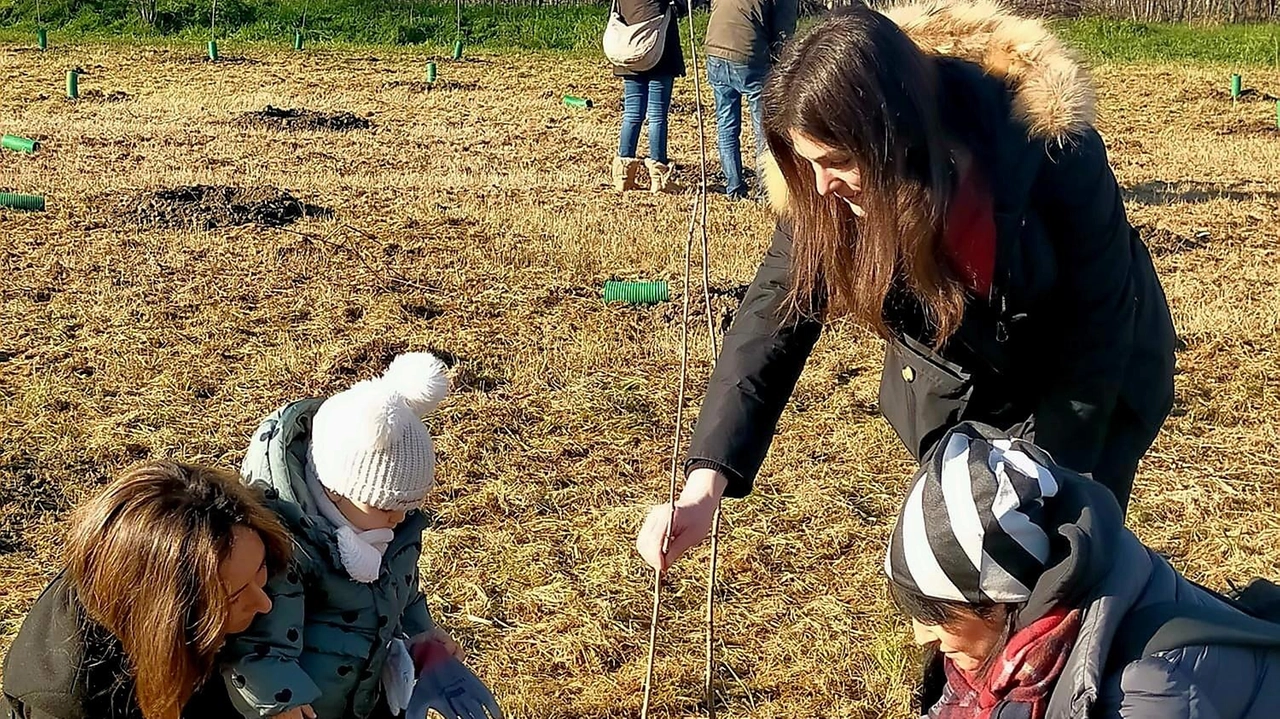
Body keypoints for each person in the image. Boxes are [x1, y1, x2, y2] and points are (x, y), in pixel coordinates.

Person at [637, 1, 1177, 571]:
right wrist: (705, 482)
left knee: (1052, 566)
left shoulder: (1048, 151)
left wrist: (1050, 498)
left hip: (1086, 384)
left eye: (837, 161)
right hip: (956, 389)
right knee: (955, 571)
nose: (820, 186)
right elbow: (774, 316)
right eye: (806, 162)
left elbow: (1097, 327)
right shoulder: (826, 193)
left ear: (895, 136)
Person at [886, 422, 1280, 718]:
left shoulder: (1144, 692)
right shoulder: (1043, 624)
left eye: (939, 615)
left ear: (1003, 596)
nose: (921, 636)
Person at [222, 352, 462, 719]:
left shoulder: (389, 531)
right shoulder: (290, 548)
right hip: (306, 706)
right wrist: (278, 700)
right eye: (385, 505)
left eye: (409, 505)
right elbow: (256, 641)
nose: (399, 516)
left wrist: (421, 635)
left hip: (364, 697)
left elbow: (403, 592)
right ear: (335, 489)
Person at [1, 461, 291, 719]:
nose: (264, 604)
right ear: (167, 612)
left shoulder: (227, 565)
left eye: (262, 569)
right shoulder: (71, 702)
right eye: (235, 597)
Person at [705, 0, 796, 199]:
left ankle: (734, 187)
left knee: (726, 125)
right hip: (749, 55)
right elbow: (784, 34)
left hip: (715, 51)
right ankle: (766, 190)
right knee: (764, 127)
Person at [609, 0, 688, 194]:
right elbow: (682, 7)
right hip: (660, 53)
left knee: (632, 114)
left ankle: (623, 177)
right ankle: (659, 179)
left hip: (630, 52)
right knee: (657, 116)